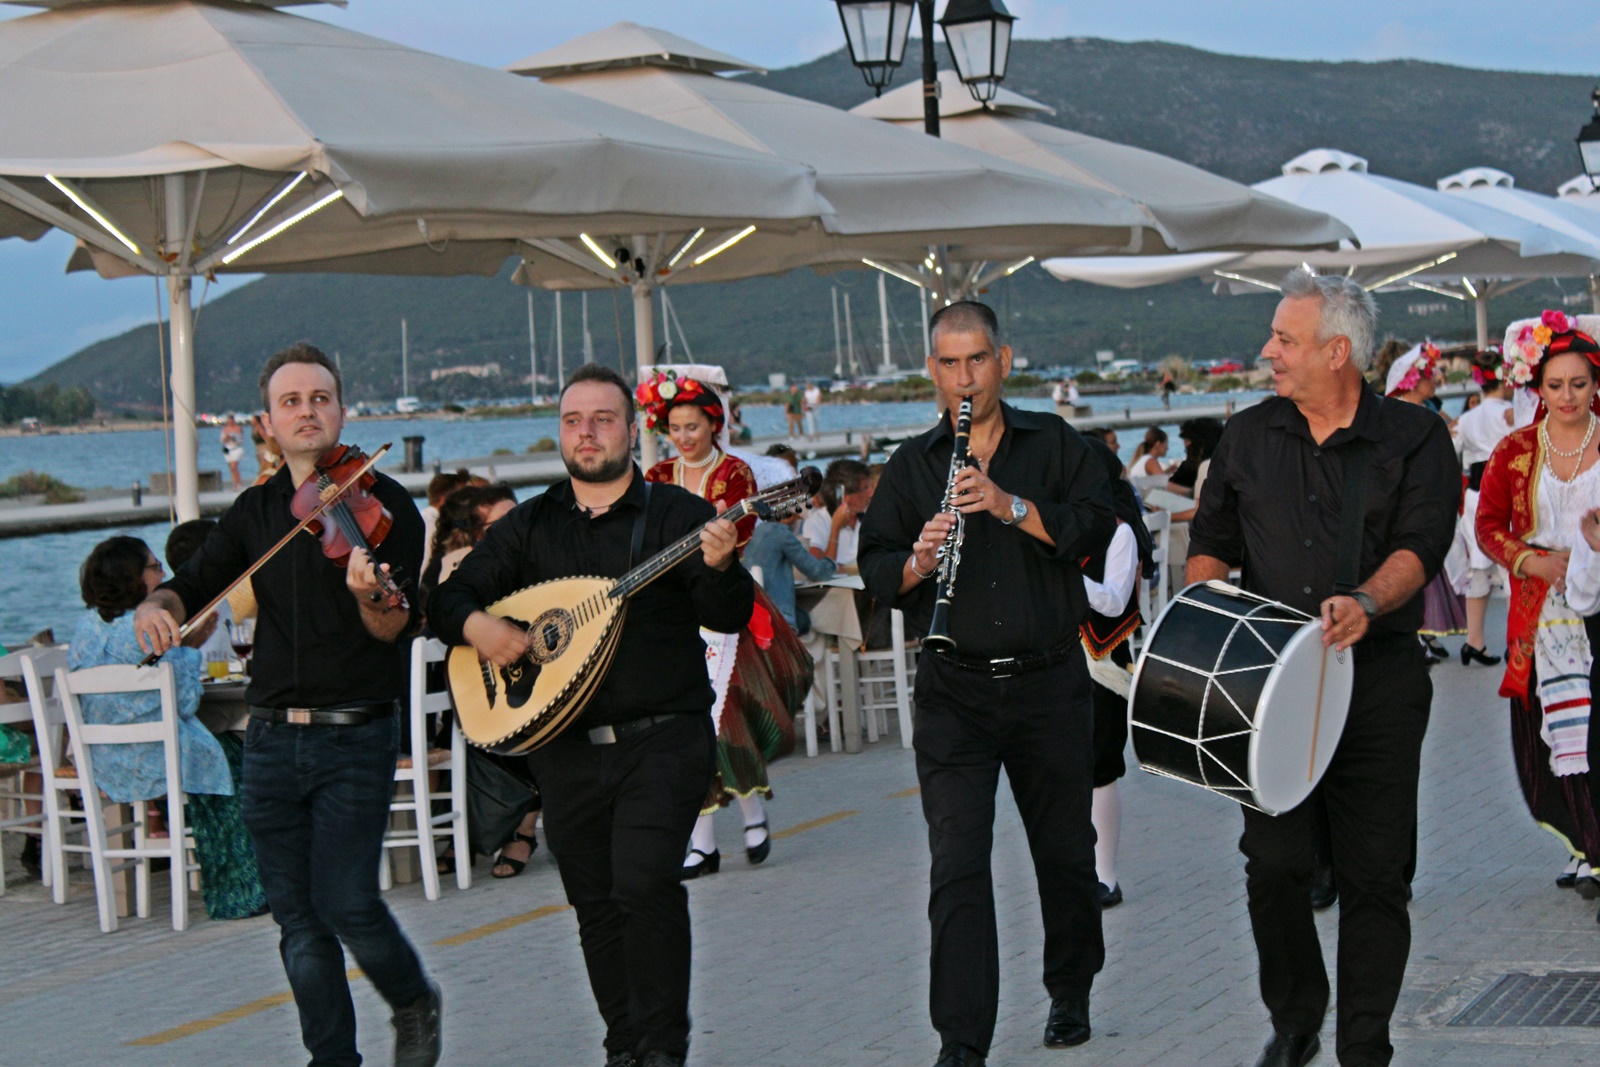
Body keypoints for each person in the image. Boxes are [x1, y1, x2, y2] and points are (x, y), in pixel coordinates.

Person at [431, 363, 752, 1067]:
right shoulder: (529, 525)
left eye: (603, 419)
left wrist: (724, 567)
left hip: (663, 737)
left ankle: (662, 1049)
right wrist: (481, 628)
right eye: (573, 420)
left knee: (644, 883)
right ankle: (623, 1045)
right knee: (595, 903)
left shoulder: (677, 515)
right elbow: (446, 599)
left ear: (631, 432)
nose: (587, 432)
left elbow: (727, 615)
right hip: (565, 746)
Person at [134, 343, 441, 1067]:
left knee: (347, 903)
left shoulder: (387, 506)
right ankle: (331, 1059)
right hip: (271, 738)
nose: (307, 411)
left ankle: (413, 999)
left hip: (355, 732)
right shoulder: (254, 510)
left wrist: (370, 597)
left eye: (320, 398)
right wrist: (157, 606)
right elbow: (192, 583)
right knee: (298, 922)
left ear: (341, 410)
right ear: (267, 422)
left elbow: (394, 625)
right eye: (291, 401)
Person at [1186, 269, 1457, 1067]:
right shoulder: (1247, 436)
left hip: (1378, 681)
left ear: (1338, 352)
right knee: (1273, 866)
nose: (1267, 351)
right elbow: (1210, 546)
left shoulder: (1415, 437)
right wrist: (1207, 620)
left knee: (1376, 875)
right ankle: (1297, 1015)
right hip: (1269, 687)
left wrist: (1366, 602)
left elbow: (1422, 545)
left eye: (1285, 338)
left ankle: (1363, 1045)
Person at [859, 300, 1116, 1067]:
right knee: (957, 863)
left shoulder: (1056, 443)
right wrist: (918, 561)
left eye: (978, 359)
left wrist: (1010, 506)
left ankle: (1071, 985)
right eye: (950, 363)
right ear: (931, 370)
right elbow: (876, 567)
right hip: (955, 692)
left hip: (1048, 682)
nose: (965, 377)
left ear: (1003, 360)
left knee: (1065, 852)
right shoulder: (912, 465)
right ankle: (963, 1037)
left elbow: (1098, 528)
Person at [637, 369, 809, 879]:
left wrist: (719, 536)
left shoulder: (735, 473)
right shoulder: (656, 476)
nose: (683, 437)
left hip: (722, 603)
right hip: (672, 612)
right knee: (681, 723)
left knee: (724, 712)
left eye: (692, 426)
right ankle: (703, 842)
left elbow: (745, 529)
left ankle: (750, 812)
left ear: (714, 424)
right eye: (675, 429)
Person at [70, 535, 267, 921]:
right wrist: (188, 648)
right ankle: (239, 891)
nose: (164, 576)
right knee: (245, 757)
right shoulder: (150, 630)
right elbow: (186, 703)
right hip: (162, 760)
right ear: (134, 577)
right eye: (155, 567)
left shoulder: (85, 629)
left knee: (225, 751)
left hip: (107, 762)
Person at [1478, 311, 1600, 901]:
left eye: (1579, 383)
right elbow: (1487, 526)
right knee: (1561, 733)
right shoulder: (1516, 450)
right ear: (1537, 387)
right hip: (1544, 610)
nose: (1567, 396)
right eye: (1555, 385)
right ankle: (1586, 842)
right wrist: (1533, 561)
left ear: (1595, 383)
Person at [1078, 437, 1154, 910]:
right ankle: (1076, 873)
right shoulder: (1058, 524)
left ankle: (1105, 875)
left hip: (1102, 664)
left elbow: (1113, 600)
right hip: (1057, 663)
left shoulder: (1120, 531)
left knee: (1100, 768)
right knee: (1063, 772)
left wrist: (1065, 577)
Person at [1387, 343, 1466, 662]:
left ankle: (1425, 633)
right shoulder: (1398, 413)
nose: (1435, 380)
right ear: (1413, 380)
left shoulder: (1428, 409)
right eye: (1429, 375)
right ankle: (1418, 636)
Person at [1448, 349, 1514, 666]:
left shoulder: (1467, 419)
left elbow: (1450, 451)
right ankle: (1517, 642)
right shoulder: (1512, 414)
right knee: (1512, 568)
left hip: (1476, 497)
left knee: (1479, 568)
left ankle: (1474, 640)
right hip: (1507, 495)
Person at [745, 492, 837, 636]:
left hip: (754, 611)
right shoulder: (781, 533)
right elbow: (817, 572)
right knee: (812, 620)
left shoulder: (757, 532)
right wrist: (831, 562)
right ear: (790, 517)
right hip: (776, 613)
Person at [802, 458, 874, 568]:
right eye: (865, 488)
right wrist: (835, 528)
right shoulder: (818, 522)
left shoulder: (870, 517)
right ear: (846, 495)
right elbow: (818, 570)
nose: (871, 493)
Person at [220, 414, 246, 491]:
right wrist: (226, 438)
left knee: (234, 467)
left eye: (231, 421)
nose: (230, 422)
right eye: (229, 421)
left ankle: (239, 483)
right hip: (228, 449)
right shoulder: (225, 429)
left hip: (236, 448)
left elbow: (241, 440)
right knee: (231, 468)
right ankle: (235, 484)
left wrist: (232, 438)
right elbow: (221, 440)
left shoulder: (238, 428)